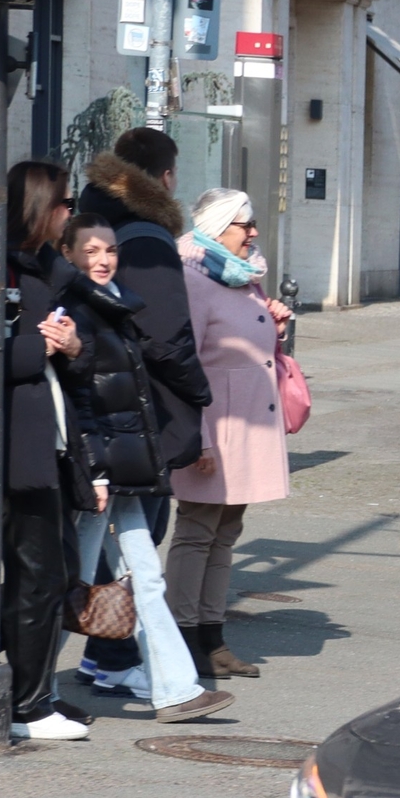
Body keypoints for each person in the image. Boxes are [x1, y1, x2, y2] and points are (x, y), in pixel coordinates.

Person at [58, 214, 231, 723]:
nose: (102, 259)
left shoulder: (115, 306)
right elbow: (81, 404)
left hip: (124, 470)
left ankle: (176, 689)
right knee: (70, 586)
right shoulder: (76, 313)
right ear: (68, 255)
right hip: (101, 475)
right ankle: (19, 686)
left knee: (144, 578)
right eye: (89, 251)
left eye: (109, 250)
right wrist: (95, 472)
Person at [76, 128, 214, 693]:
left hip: (102, 405)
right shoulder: (149, 240)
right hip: (138, 413)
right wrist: (199, 392)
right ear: (166, 177)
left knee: (111, 546)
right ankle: (113, 660)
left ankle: (118, 661)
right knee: (124, 545)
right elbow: (166, 334)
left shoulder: (91, 224)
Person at [171, 190, 294, 682]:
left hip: (248, 426)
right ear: (219, 228)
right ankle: (181, 639)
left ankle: (212, 637)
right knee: (197, 531)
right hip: (217, 430)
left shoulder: (243, 276)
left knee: (226, 532)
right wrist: (198, 437)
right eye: (247, 224)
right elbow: (187, 363)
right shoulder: (195, 278)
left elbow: (246, 346)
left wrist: (276, 326)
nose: (254, 232)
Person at [0, 161, 90, 740]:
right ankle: (26, 706)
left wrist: (73, 344)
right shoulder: (0, 266)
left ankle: (34, 694)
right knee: (37, 576)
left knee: (54, 572)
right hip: (15, 441)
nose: (71, 215)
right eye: (65, 204)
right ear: (40, 207)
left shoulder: (49, 268)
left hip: (49, 440)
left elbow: (84, 335)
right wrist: (43, 346)